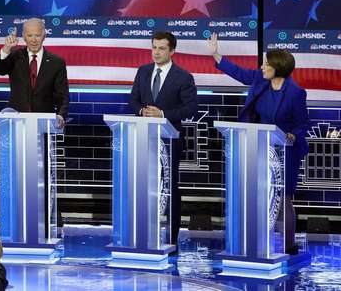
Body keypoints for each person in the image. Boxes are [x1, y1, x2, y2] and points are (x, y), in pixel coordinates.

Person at [208, 32, 309, 254]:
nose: (262, 67)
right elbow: (238, 72)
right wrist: (216, 53)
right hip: (259, 147)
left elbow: (303, 124)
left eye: (266, 64)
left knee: (284, 198)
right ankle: (256, 240)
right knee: (258, 194)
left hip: (286, 153)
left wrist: (292, 134)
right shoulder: (260, 81)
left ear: (278, 67)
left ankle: (289, 244)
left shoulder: (296, 93)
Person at [128, 31, 198, 248]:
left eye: (161, 48)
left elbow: (190, 108)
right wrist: (141, 111)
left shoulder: (183, 77)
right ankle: (141, 232)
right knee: (142, 185)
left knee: (170, 187)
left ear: (172, 51)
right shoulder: (143, 71)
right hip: (143, 138)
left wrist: (163, 114)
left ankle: (172, 237)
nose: (156, 52)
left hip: (170, 140)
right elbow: (133, 99)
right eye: (154, 47)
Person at [0, 18, 69, 128]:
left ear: (44, 35)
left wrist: (61, 115)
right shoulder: (15, 56)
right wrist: (6, 49)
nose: (34, 40)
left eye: (37, 35)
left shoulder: (57, 62)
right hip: (17, 123)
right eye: (30, 35)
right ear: (24, 36)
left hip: (44, 125)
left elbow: (62, 95)